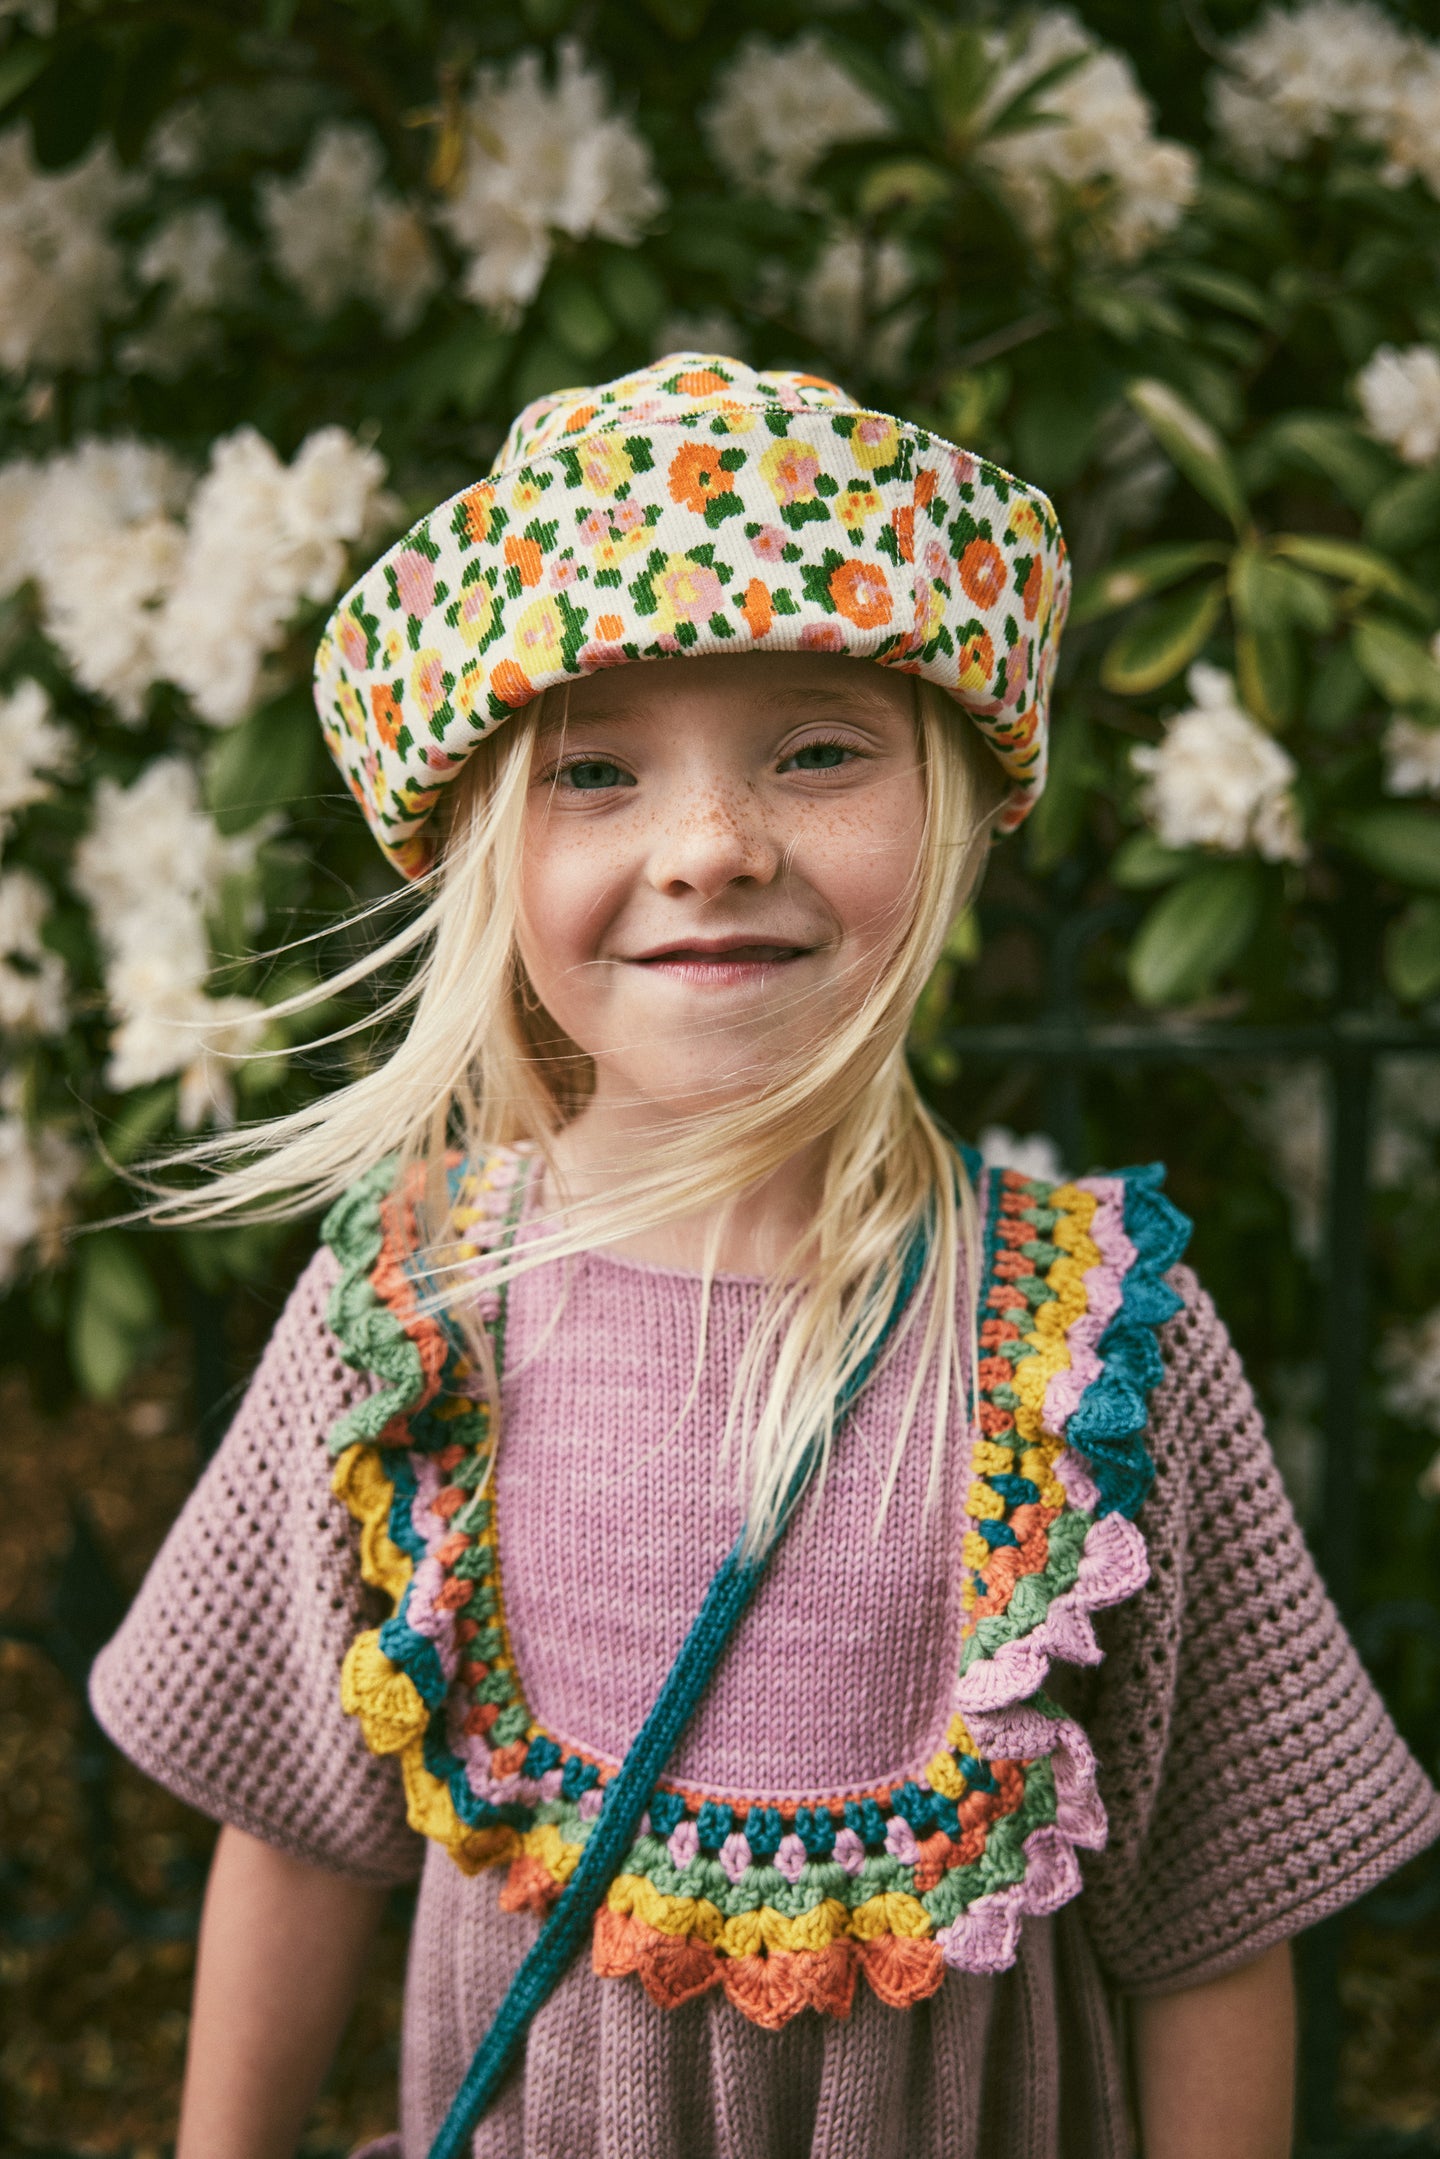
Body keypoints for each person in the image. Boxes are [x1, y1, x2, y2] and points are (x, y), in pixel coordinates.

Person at [91, 355, 1438, 2159]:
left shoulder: (1103, 1351)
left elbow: (1213, 1928)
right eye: (596, 773)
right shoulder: (408, 1319)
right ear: (488, 850)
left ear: (953, 807)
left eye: (817, 751)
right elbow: (297, 1832)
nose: (712, 848)